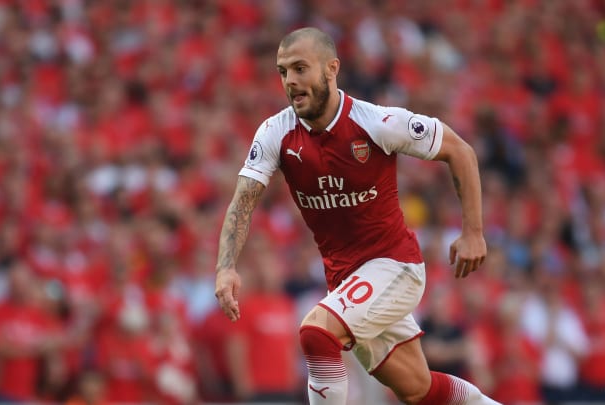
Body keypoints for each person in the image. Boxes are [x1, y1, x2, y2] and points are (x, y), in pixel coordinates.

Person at [214, 27, 500, 405]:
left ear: (331, 69)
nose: (291, 81)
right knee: (418, 389)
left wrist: (473, 232)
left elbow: (459, 150)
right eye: (283, 71)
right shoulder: (274, 133)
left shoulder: (376, 123)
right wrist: (226, 266)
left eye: (301, 68)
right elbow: (243, 201)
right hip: (346, 282)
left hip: (395, 267)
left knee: (316, 333)